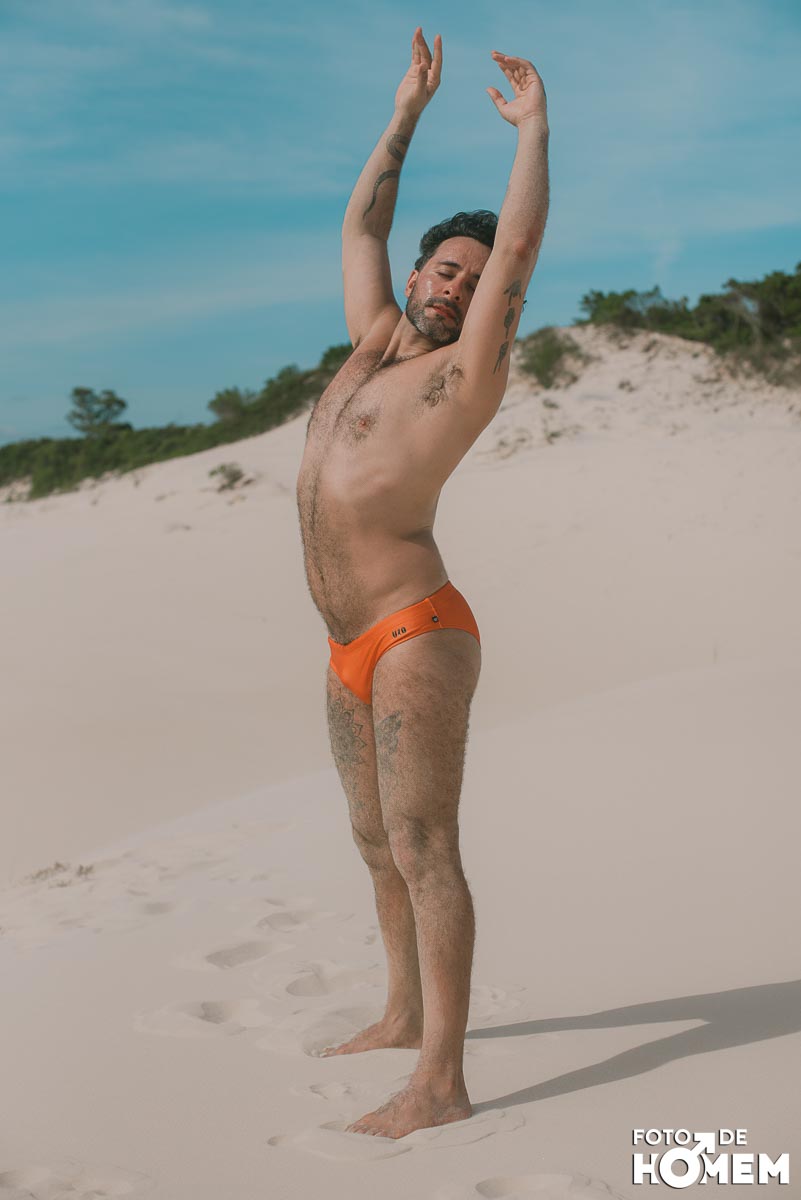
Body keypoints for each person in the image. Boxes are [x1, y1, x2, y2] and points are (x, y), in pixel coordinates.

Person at [295, 27, 550, 1139]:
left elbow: (520, 244)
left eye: (475, 282)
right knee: (372, 841)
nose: (457, 286)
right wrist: (405, 113)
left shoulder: (464, 372)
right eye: (446, 269)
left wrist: (531, 132)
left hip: (414, 632)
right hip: (345, 643)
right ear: (415, 275)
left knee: (422, 844)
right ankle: (402, 1012)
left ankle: (441, 1078)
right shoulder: (373, 340)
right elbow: (362, 221)